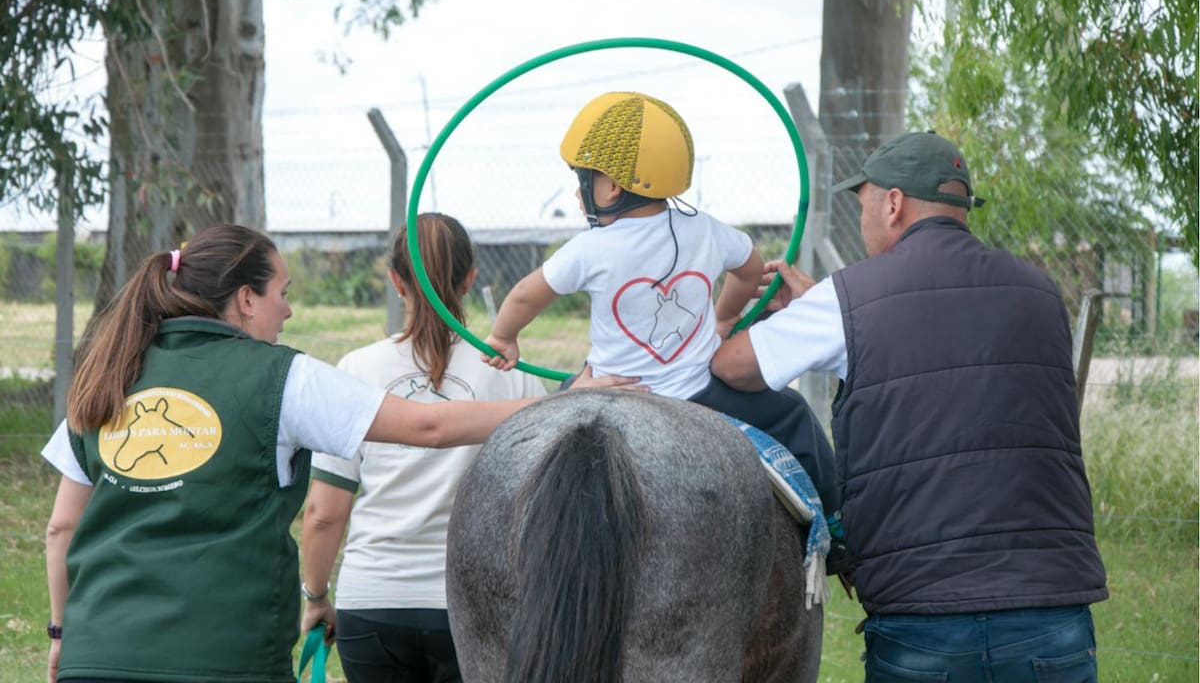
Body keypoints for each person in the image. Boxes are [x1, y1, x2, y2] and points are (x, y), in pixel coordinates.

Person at [40, 223, 631, 683]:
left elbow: (61, 528)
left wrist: (62, 632)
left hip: (95, 655)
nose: (288, 309)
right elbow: (427, 425)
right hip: (224, 659)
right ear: (246, 299)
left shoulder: (107, 373)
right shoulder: (283, 377)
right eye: (282, 293)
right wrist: (563, 399)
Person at [711, 131, 1108, 681]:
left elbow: (730, 366)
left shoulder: (846, 299)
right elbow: (953, 346)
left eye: (863, 206)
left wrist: (739, 315)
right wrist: (824, 305)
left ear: (893, 203)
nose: (864, 221)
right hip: (1051, 612)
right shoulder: (1040, 293)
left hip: (923, 619)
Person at [482, 91, 842, 526]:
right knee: (793, 413)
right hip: (701, 393)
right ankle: (836, 520)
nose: (578, 194)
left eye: (583, 180)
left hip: (608, 390)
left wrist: (503, 336)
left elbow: (525, 295)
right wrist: (725, 316)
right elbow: (749, 271)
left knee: (545, 418)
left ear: (612, 187)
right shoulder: (705, 229)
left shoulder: (588, 248)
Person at [300, 213, 544, 683]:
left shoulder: (356, 369)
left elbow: (324, 514)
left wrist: (315, 597)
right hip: (477, 608)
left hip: (372, 603)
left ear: (396, 281)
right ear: (471, 280)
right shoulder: (516, 376)